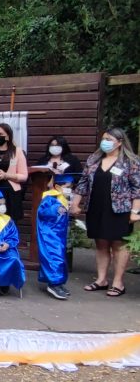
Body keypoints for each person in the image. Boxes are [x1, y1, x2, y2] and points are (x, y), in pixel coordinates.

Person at [71, 127, 140, 298]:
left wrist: (135, 211)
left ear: (119, 142)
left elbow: (137, 188)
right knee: (101, 244)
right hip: (96, 207)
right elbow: (83, 183)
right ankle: (101, 279)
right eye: (104, 138)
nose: (105, 142)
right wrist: (75, 204)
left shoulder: (131, 162)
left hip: (120, 209)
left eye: (109, 139)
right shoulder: (94, 159)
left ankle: (118, 282)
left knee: (118, 244)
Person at [37, 174, 78, 300]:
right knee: (54, 257)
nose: (69, 189)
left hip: (59, 234)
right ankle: (53, 284)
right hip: (49, 233)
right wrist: (57, 208)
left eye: (71, 187)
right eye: (67, 186)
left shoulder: (64, 198)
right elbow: (42, 212)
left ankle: (59, 282)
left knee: (61, 258)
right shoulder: (50, 198)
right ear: (57, 186)